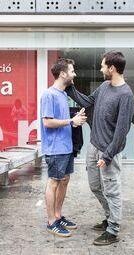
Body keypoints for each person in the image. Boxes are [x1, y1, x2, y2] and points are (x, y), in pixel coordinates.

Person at [65, 51, 134, 245]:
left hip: (108, 151)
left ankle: (113, 229)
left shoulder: (126, 94)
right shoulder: (104, 86)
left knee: (112, 190)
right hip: (94, 146)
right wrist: (70, 87)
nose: (101, 69)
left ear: (112, 68)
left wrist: (109, 154)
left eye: (103, 66)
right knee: (95, 186)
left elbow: (122, 131)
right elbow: (88, 102)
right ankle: (109, 216)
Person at [40, 58, 87, 237]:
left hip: (66, 147)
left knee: (65, 180)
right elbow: (47, 122)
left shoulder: (63, 94)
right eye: (72, 70)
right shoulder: (49, 94)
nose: (74, 74)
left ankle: (58, 215)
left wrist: (75, 120)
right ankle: (51, 221)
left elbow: (63, 121)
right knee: (54, 182)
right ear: (63, 74)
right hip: (54, 148)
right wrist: (70, 121)